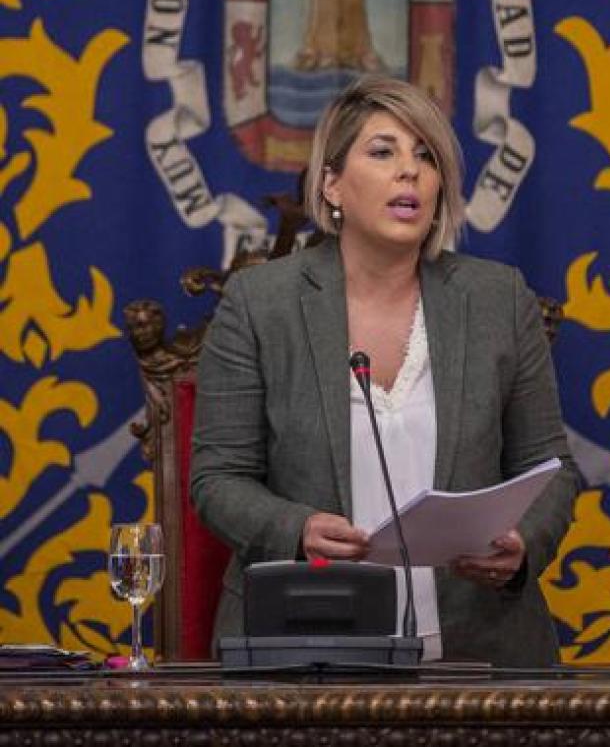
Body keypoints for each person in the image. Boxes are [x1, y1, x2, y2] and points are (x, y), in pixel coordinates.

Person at [190, 75, 580, 666]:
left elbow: (551, 469)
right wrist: (297, 529)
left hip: (482, 655)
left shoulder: (499, 298)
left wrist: (523, 544)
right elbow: (218, 478)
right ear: (332, 184)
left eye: (427, 156)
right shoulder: (259, 303)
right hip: (306, 649)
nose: (410, 172)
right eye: (383, 152)